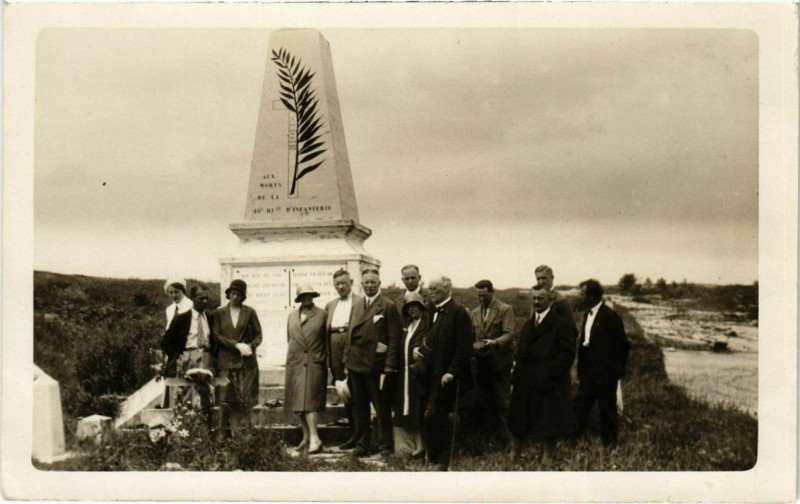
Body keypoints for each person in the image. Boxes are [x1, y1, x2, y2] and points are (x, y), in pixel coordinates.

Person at [508, 285, 577, 464]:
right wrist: (515, 376)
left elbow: (567, 355)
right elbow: (520, 352)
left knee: (549, 424)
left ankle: (547, 458)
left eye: (541, 298)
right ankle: (514, 455)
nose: (537, 302)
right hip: (525, 382)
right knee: (519, 420)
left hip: (549, 383)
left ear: (551, 300)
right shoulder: (528, 325)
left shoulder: (561, 325)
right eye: (534, 298)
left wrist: (546, 372)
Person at [415, 274, 473, 470]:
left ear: (447, 290)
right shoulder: (431, 310)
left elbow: (463, 348)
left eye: (435, 289)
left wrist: (452, 372)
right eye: (429, 289)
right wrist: (420, 350)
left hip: (447, 377)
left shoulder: (459, 313)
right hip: (431, 374)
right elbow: (429, 338)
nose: (430, 292)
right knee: (431, 416)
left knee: (437, 416)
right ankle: (433, 457)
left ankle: (442, 460)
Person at [343, 267, 402, 457]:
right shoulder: (356, 306)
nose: (369, 285)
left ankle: (385, 447)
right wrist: (346, 361)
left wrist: (390, 366)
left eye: (373, 282)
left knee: (381, 408)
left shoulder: (387, 306)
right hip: (355, 365)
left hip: (376, 366)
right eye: (366, 282)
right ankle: (362, 445)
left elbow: (394, 339)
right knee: (359, 408)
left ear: (379, 284)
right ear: (362, 284)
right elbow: (350, 336)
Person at [573, 279, 630, 447]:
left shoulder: (610, 316)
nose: (579, 297)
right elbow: (584, 342)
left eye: (582, 294)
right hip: (589, 371)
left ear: (591, 296)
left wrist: (616, 370)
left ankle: (610, 445)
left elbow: (623, 345)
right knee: (581, 405)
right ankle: (574, 439)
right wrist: (581, 368)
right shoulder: (586, 314)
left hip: (606, 373)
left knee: (607, 409)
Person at [212, 279, 262, 436]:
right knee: (225, 399)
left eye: (239, 294)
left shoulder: (249, 312)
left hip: (245, 362)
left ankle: (243, 434)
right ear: (228, 295)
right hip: (226, 361)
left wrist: (250, 346)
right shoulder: (219, 313)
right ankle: (222, 434)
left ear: (243, 296)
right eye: (233, 293)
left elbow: (258, 335)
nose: (235, 297)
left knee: (244, 398)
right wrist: (235, 345)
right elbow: (216, 335)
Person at [160, 283, 216, 424]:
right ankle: (182, 428)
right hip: (187, 357)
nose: (204, 302)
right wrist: (178, 357)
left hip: (205, 358)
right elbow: (165, 343)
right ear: (192, 298)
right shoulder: (182, 318)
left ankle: (204, 429)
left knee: (205, 394)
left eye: (206, 298)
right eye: (200, 298)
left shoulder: (210, 318)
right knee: (184, 394)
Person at [469, 279, 515, 445]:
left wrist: (495, 342)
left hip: (500, 364)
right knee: (486, 402)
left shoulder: (505, 309)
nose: (481, 298)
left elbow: (509, 334)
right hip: (482, 364)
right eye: (478, 295)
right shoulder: (474, 313)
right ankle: (494, 438)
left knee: (503, 402)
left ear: (491, 292)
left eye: (484, 295)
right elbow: (472, 337)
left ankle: (510, 439)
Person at [284, 284, 328, 455]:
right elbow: (290, 339)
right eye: (303, 295)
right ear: (298, 298)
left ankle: (315, 439)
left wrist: (323, 360)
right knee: (298, 404)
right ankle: (306, 437)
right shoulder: (292, 316)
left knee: (310, 402)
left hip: (313, 363)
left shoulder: (322, 314)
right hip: (295, 363)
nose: (306, 298)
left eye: (309, 295)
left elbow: (325, 340)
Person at [324, 269, 362, 450]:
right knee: (344, 393)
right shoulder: (330, 305)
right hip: (334, 350)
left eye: (344, 283)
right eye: (337, 284)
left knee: (356, 392)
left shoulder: (360, 302)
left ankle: (362, 437)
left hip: (353, 350)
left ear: (351, 282)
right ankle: (353, 435)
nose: (341, 287)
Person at [392, 292, 430, 458]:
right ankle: (417, 445)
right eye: (409, 308)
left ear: (422, 307)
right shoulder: (407, 326)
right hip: (406, 375)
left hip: (419, 375)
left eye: (415, 306)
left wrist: (420, 350)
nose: (412, 310)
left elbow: (430, 345)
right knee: (410, 410)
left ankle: (425, 446)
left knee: (419, 408)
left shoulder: (427, 325)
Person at [534, 265, 577, 332]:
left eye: (543, 278)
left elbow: (571, 330)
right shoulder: (535, 299)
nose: (541, 282)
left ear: (552, 278)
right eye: (538, 279)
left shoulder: (561, 301)